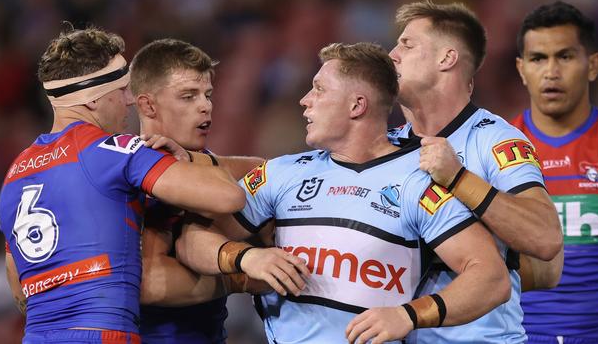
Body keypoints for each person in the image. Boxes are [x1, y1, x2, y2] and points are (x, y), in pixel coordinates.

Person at [175, 42, 511, 343]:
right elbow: (190, 238)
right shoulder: (283, 173)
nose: (305, 101)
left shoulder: (417, 182)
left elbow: (491, 278)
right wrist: (245, 257)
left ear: (357, 106)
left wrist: (409, 315)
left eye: (319, 89)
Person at [0, 26, 247, 344]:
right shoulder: (115, 151)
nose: (130, 101)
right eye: (122, 89)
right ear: (91, 99)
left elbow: (20, 288)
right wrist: (241, 277)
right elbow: (228, 197)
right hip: (105, 334)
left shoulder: (15, 174)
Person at [386, 0, 563, 343]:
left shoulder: (494, 139)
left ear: (447, 58)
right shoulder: (386, 145)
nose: (392, 54)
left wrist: (458, 179)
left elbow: (545, 239)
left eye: (407, 44)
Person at [130, 38, 266, 343]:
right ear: (148, 105)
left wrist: (193, 160)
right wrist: (243, 274)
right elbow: (149, 282)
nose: (205, 105)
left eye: (208, 94)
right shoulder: (132, 176)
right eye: (188, 96)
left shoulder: (199, 164)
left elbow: (269, 173)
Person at [512, 1, 598, 343]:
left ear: (592, 65)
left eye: (565, 56)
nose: (551, 71)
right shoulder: (493, 150)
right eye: (538, 59)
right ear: (522, 69)